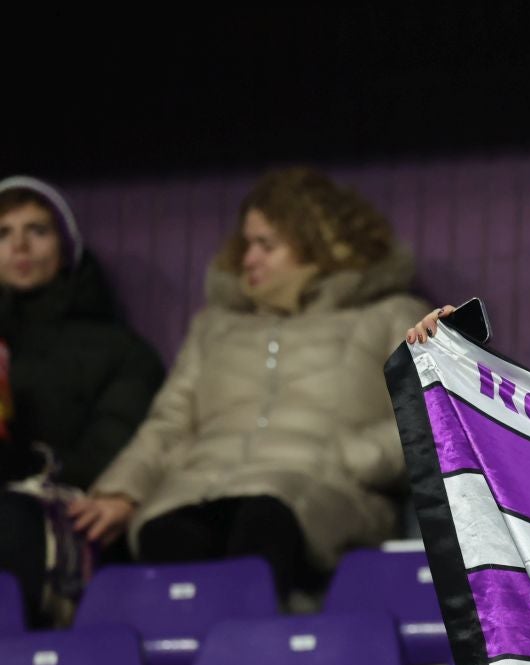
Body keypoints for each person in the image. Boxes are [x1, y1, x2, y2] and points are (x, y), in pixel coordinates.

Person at [70, 168, 426, 598]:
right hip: (201, 488)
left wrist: (356, 458)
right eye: (246, 244)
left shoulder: (391, 314)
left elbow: (432, 417)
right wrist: (121, 492)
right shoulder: (215, 326)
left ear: (320, 246)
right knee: (165, 531)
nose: (248, 259)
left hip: (320, 492)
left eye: (266, 245)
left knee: (264, 519)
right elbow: (170, 422)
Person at [0, 176, 165, 623]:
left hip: (63, 513)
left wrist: (27, 461)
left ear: (66, 245)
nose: (20, 246)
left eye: (37, 230)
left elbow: (116, 447)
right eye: (3, 233)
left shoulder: (119, 350)